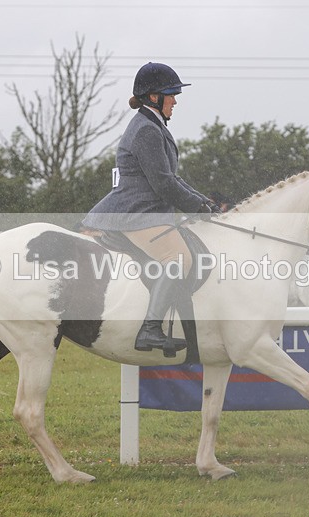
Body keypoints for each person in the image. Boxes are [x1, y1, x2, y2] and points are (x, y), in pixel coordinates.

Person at [82, 62, 220, 353]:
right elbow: (163, 184)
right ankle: (150, 329)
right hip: (136, 213)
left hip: (143, 210)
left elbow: (172, 178)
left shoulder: (152, 125)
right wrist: (197, 206)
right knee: (178, 258)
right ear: (153, 97)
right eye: (171, 93)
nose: (175, 100)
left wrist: (203, 202)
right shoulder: (146, 130)